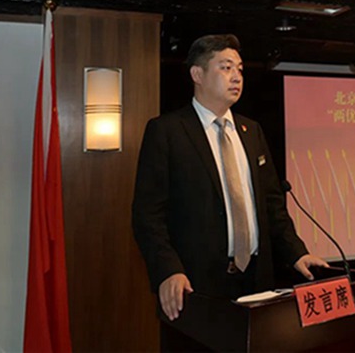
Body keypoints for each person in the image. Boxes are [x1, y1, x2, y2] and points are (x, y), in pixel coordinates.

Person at [132, 34, 328, 351]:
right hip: (196, 287)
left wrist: (296, 252)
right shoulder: (167, 131)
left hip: (256, 282)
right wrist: (168, 271)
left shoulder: (251, 131)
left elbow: (272, 205)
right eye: (225, 68)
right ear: (197, 74)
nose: (236, 76)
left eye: (239, 69)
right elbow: (147, 215)